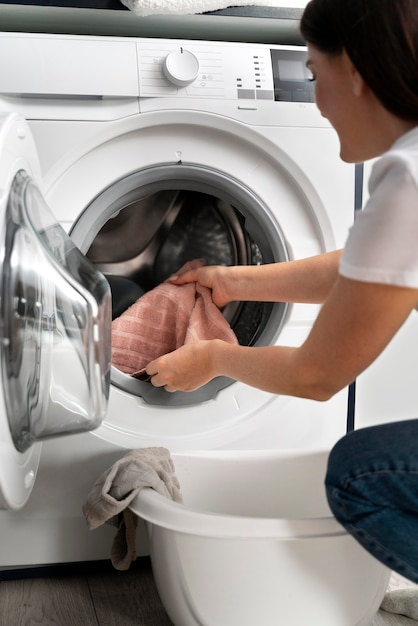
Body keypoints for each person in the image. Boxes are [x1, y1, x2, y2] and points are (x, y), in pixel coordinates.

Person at [145, 0, 418, 583]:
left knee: (358, 474)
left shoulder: (409, 181)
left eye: (316, 75)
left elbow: (318, 377)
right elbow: (368, 269)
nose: (316, 102)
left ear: (356, 72)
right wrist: (235, 279)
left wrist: (215, 358)